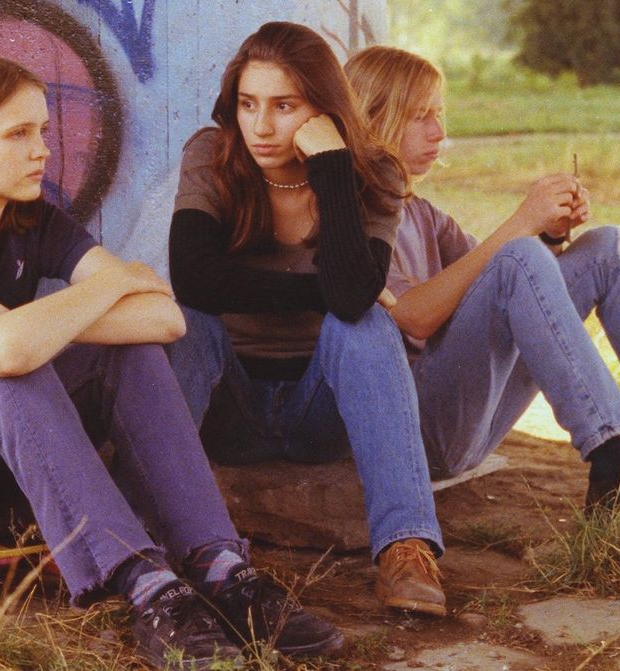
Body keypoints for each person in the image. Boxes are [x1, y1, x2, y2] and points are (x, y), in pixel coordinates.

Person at [0, 53, 341, 668]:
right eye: (18, 134)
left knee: (127, 354)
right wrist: (115, 283)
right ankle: (147, 589)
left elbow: (165, 320)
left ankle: (220, 567)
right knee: (3, 375)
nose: (43, 149)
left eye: (42, 130)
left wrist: (39, 311)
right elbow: (5, 351)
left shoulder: (38, 224)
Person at [343, 45, 620, 512]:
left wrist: (551, 236)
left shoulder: (420, 213)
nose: (439, 132)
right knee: (518, 251)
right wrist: (523, 224)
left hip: (464, 417)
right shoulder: (351, 216)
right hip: (414, 434)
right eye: (420, 116)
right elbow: (413, 318)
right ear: (371, 117)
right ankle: (610, 459)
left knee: (605, 248)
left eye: (439, 114)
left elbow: (501, 282)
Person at [166, 22, 449, 618]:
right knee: (191, 321)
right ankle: (141, 539)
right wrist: (315, 289)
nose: (261, 126)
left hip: (319, 408)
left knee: (367, 325)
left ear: (323, 109)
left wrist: (332, 168)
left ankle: (405, 548)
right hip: (230, 404)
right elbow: (194, 277)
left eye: (284, 106)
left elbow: (350, 301)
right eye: (248, 104)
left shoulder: (376, 173)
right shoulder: (212, 156)